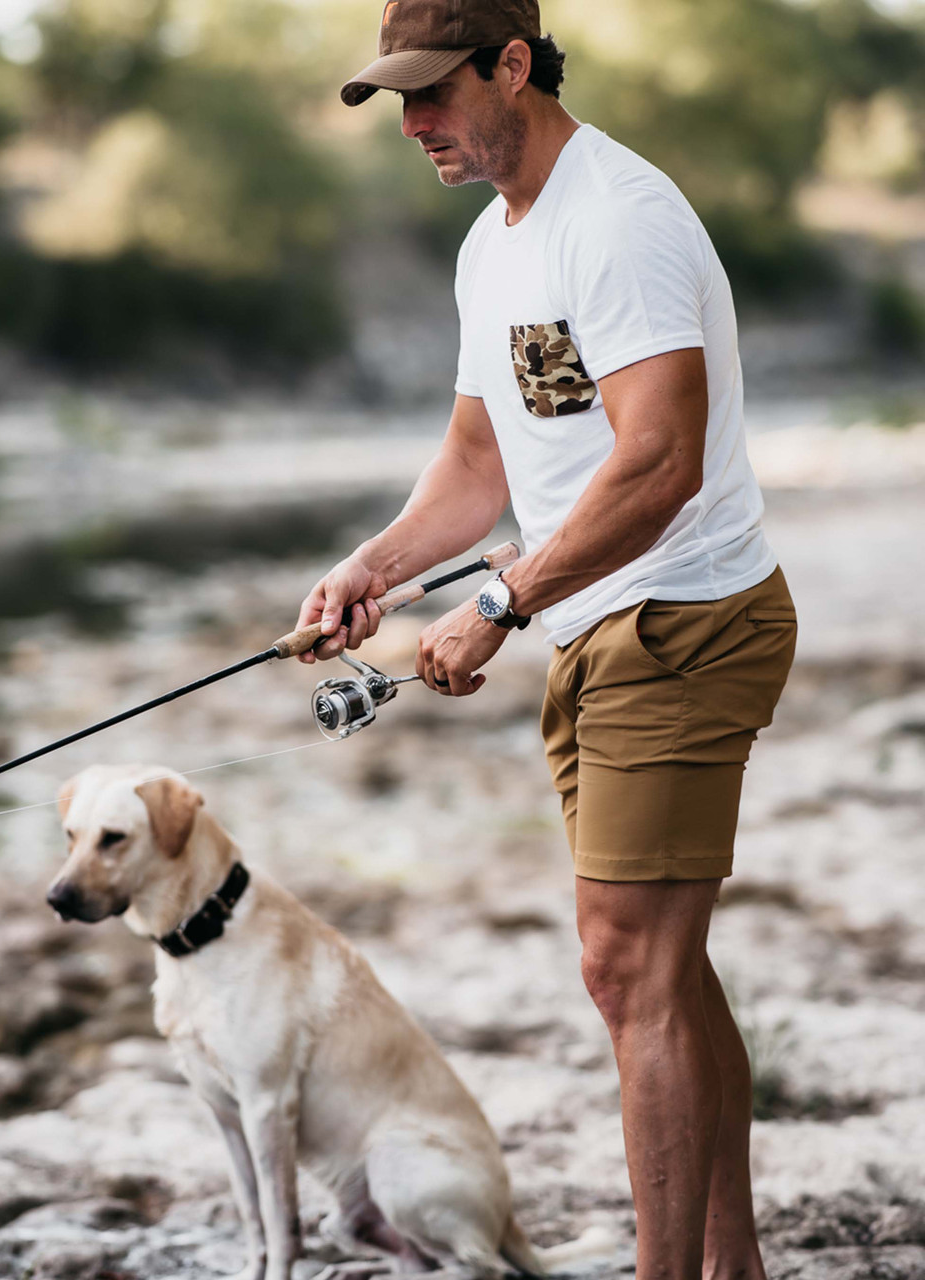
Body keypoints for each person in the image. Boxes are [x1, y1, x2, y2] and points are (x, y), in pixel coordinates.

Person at [295, 3, 797, 1277]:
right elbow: (479, 461)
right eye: (396, 100)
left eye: (433, 92)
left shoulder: (617, 218)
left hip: (680, 619)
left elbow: (662, 462)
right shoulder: (493, 244)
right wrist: (373, 569)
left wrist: (499, 605)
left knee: (626, 970)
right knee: (660, 970)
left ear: (512, 65)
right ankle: (731, 1265)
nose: (413, 123)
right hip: (599, 625)